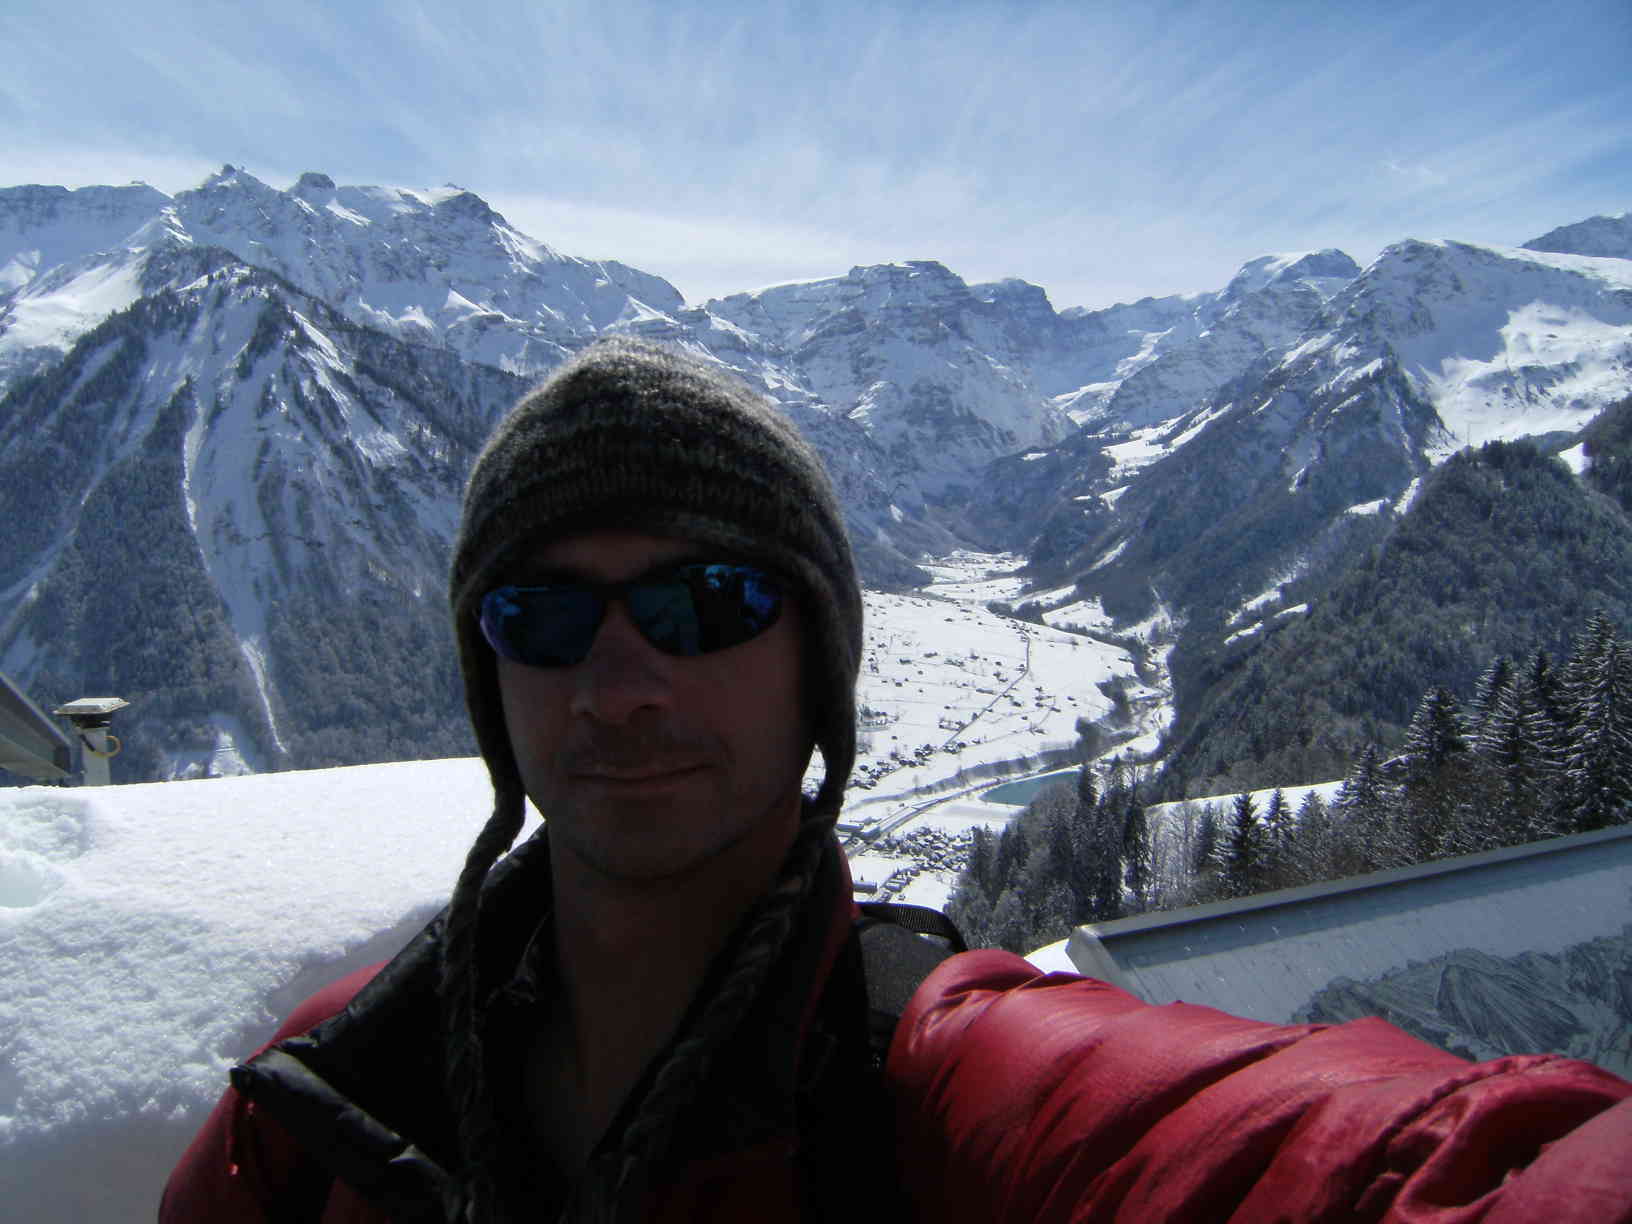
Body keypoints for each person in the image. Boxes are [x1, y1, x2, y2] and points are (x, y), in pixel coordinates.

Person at [162, 339, 1632, 1223]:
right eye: (540, 619)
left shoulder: (945, 1089)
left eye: (706, 603)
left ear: (819, 663)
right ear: (490, 676)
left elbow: (1396, 1172)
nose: (618, 684)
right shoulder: (327, 1093)